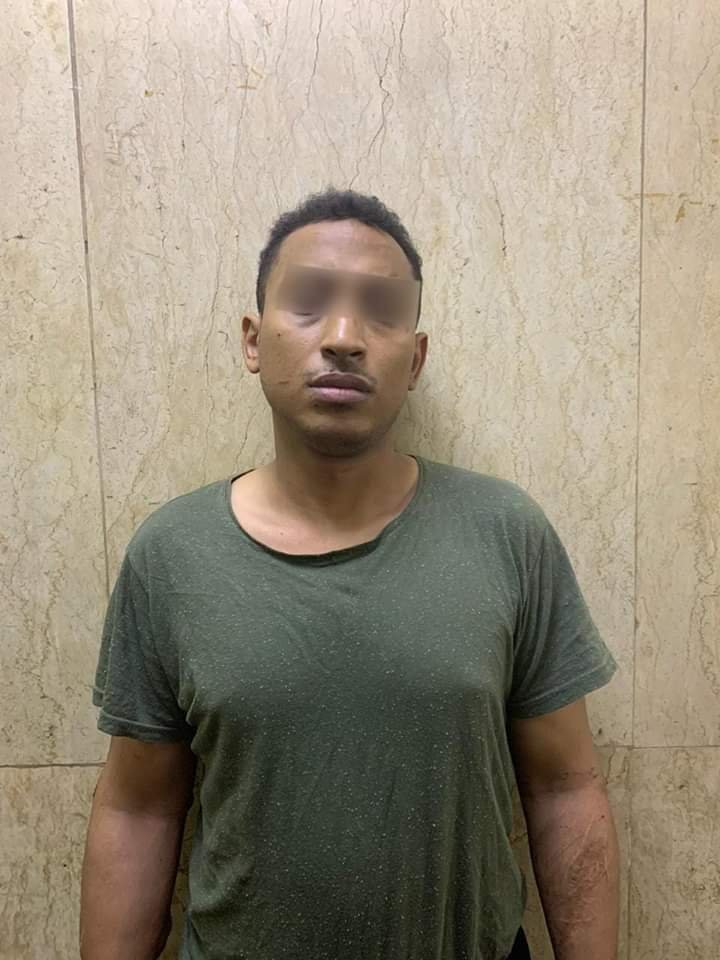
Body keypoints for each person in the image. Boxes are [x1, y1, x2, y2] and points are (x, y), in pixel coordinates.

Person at [80, 188, 620, 960]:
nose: (343, 337)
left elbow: (565, 788)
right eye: (307, 302)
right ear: (252, 341)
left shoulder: (506, 533)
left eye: (381, 310)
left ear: (416, 358)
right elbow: (138, 810)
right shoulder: (172, 555)